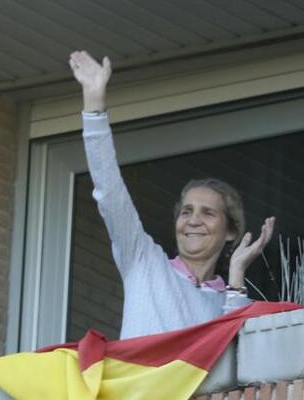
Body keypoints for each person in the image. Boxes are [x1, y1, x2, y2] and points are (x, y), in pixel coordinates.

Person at [69, 51, 275, 339]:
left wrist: (237, 276)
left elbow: (232, 358)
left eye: (208, 212)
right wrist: (94, 105)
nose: (193, 220)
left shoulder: (231, 300)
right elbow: (110, 192)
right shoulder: (143, 261)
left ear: (230, 232)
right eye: (186, 211)